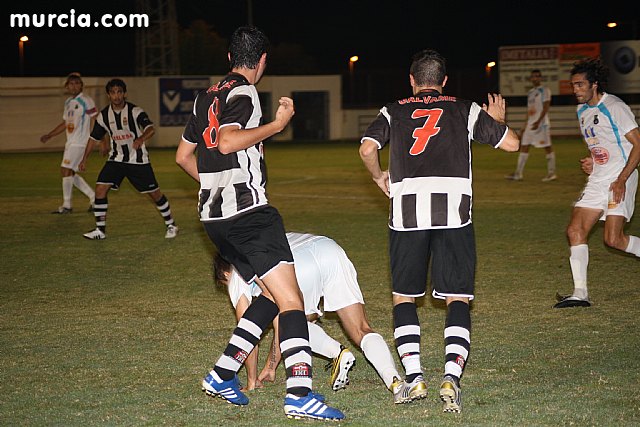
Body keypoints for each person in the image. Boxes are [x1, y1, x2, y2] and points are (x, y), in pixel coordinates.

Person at [175, 26, 344, 421]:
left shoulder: (205, 97)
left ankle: (222, 375)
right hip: (249, 215)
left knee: (269, 295)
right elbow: (228, 142)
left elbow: (183, 156)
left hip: (214, 218)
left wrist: (215, 185)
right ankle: (299, 394)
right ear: (263, 60)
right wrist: (277, 125)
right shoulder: (244, 92)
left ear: (229, 57)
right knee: (291, 301)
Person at [359, 49, 519, 413]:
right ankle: (451, 377)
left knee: (404, 297)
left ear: (411, 81)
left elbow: (367, 148)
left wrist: (379, 176)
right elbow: (512, 143)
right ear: (444, 81)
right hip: (454, 213)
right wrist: (497, 121)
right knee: (457, 297)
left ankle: (415, 377)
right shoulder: (464, 108)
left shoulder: (394, 109)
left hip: (407, 214)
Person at [215, 232, 412, 404]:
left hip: (298, 264)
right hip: (329, 248)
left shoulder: (236, 271)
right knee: (361, 328)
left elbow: (248, 334)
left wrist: (252, 380)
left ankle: (337, 352)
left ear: (224, 273)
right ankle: (396, 382)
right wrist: (270, 367)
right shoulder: (260, 245)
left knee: (293, 323)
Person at [554, 58, 640, 309]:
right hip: (598, 179)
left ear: (594, 84)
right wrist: (592, 160)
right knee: (575, 230)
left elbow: (638, 144)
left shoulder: (614, 106)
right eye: (573, 85)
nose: (576, 90)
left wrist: (622, 179)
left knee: (613, 239)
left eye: (580, 85)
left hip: (619, 179)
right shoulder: (582, 111)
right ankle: (580, 294)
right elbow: (603, 143)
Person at [79, 79, 178, 240]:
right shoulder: (103, 116)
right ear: (108, 95)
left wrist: (141, 139)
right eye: (113, 92)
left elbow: (150, 128)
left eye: (119, 92)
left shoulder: (135, 111)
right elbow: (93, 138)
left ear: (124, 94)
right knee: (100, 188)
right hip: (116, 159)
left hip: (137, 160)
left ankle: (171, 224)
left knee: (155, 194)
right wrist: (84, 159)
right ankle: (100, 230)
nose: (116, 96)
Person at [41, 73, 98, 214]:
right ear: (67, 86)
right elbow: (65, 123)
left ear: (81, 85)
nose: (74, 86)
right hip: (71, 142)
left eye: (77, 83)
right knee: (69, 172)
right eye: (71, 83)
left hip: (80, 142)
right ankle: (94, 198)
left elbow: (97, 119)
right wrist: (50, 135)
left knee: (65, 170)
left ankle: (67, 205)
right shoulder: (68, 102)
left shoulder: (86, 100)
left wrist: (102, 139)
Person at [506, 69, 557, 182]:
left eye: (537, 76)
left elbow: (546, 107)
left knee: (547, 147)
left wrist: (538, 122)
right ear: (531, 78)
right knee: (524, 146)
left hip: (541, 124)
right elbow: (529, 110)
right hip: (530, 124)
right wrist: (525, 125)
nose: (535, 78)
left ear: (540, 78)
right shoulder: (531, 92)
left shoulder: (545, 90)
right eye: (533, 76)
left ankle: (551, 173)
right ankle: (518, 174)